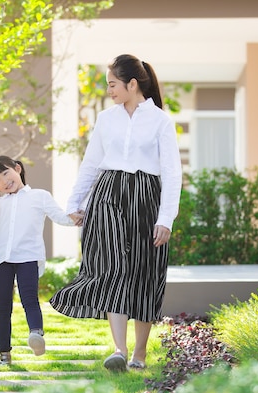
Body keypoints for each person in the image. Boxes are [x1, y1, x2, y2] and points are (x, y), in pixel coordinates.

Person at [50, 54, 183, 371]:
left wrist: (165, 219)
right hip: (107, 195)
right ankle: (120, 351)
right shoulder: (106, 119)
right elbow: (91, 163)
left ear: (132, 84)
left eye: (112, 84)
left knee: (144, 271)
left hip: (145, 197)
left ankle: (140, 352)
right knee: (112, 269)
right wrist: (75, 202)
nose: (109, 90)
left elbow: (172, 173)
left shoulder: (160, 121)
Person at [0, 156, 77, 366]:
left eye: (5, 173)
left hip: (28, 257)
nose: (3, 181)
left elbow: (60, 217)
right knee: (2, 307)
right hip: (2, 260)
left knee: (29, 299)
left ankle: (36, 335)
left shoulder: (40, 196)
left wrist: (77, 216)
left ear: (17, 169)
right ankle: (4, 353)